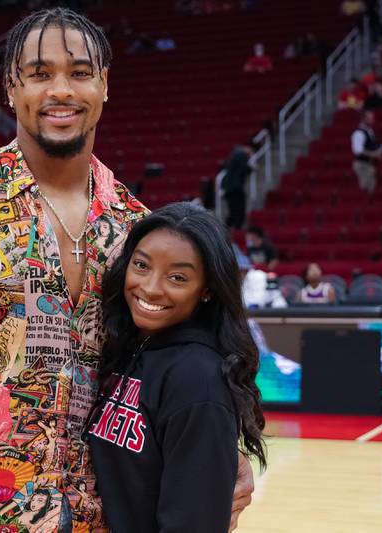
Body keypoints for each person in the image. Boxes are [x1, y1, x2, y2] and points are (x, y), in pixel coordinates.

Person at [0, 8, 254, 533]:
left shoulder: (137, 228)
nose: (61, 89)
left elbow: (174, 370)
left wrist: (220, 450)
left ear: (104, 86)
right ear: (10, 89)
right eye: (39, 74)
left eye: (80, 72)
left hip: (107, 517)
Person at [87, 202, 266, 532]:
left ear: (208, 289)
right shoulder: (128, 350)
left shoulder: (199, 380)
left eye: (178, 277)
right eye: (141, 265)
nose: (152, 287)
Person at [221, 143, 254, 229]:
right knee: (238, 211)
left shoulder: (235, 155)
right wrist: (252, 168)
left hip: (230, 188)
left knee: (233, 212)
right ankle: (234, 229)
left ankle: (225, 229)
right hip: (234, 188)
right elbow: (244, 168)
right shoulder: (241, 154)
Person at [351, 110, 382, 195]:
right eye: (369, 118)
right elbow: (358, 151)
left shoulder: (369, 131)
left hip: (369, 164)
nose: (372, 119)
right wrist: (374, 154)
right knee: (366, 189)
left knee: (372, 188)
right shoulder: (359, 133)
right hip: (363, 165)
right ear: (363, 119)